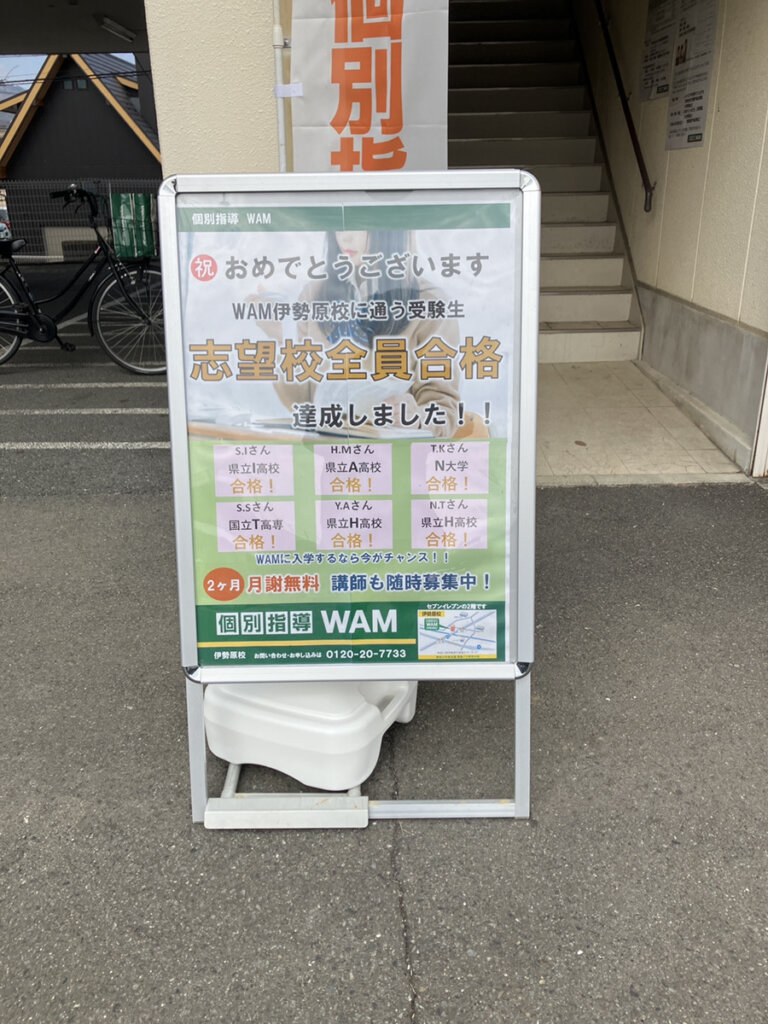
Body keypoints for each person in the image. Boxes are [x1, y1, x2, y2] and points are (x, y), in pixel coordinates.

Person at [269, 229, 461, 438]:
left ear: (388, 232)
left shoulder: (430, 303)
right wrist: (278, 339)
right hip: (326, 451)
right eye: (337, 226)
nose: (344, 237)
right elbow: (302, 401)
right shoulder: (314, 295)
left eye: (358, 226)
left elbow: (445, 410)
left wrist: (415, 417)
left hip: (393, 455)